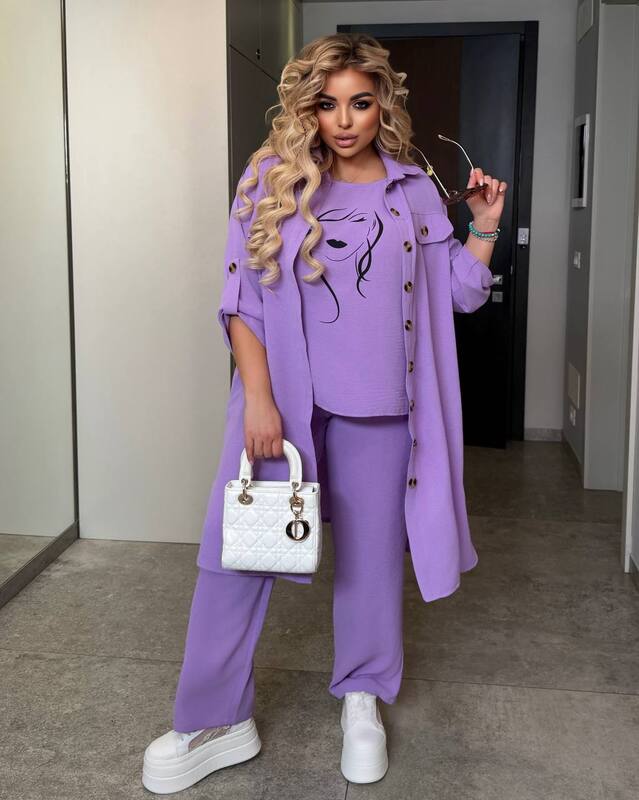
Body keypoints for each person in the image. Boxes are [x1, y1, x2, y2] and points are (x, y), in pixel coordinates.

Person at [142, 32, 507, 795]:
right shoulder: (270, 179)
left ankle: (362, 699)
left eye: (359, 103)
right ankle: (214, 719)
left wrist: (483, 224)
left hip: (383, 411)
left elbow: (459, 293)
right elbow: (239, 301)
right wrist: (259, 399)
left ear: (382, 105)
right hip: (282, 408)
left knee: (371, 565)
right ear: (305, 106)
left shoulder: (411, 190)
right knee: (237, 557)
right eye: (327, 103)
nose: (343, 121)